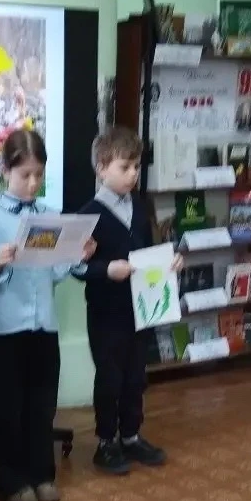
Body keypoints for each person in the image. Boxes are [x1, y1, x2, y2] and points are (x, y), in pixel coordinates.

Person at [0, 129, 94, 501]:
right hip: (5, 327)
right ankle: (8, 480)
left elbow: (54, 272)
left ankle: (42, 474)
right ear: (5, 170)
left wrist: (77, 256)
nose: (32, 183)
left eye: (39, 174)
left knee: (41, 403)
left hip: (44, 324)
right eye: (25, 174)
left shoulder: (49, 215)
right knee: (7, 406)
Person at [75, 125, 182, 475]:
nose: (133, 173)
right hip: (106, 314)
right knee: (110, 378)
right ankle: (106, 442)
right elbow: (76, 267)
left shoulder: (139, 205)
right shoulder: (87, 214)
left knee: (136, 377)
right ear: (101, 168)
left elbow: (149, 252)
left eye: (136, 166)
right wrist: (107, 269)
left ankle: (131, 436)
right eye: (125, 167)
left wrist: (169, 263)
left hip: (141, 309)